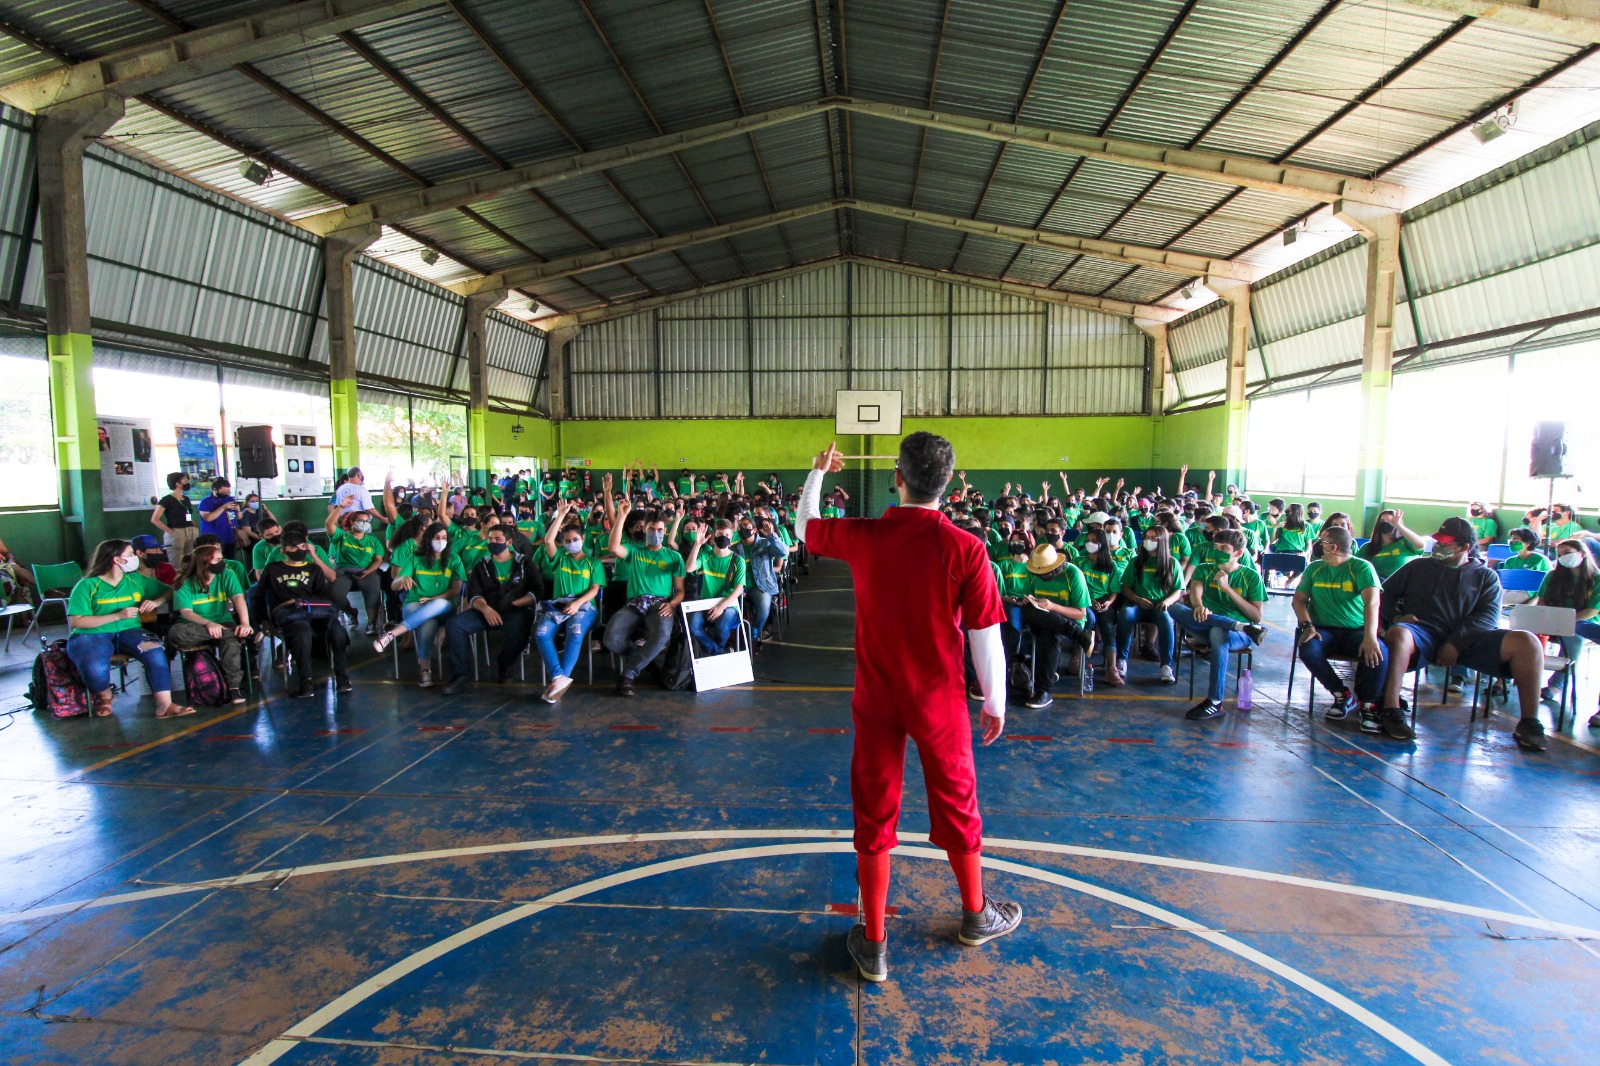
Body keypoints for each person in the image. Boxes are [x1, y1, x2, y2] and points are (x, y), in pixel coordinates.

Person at [797, 434, 1020, 985]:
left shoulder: (865, 536)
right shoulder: (966, 548)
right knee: (958, 803)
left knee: (874, 813)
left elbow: (805, 526)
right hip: (939, 699)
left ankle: (873, 943)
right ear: (948, 483)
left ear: (897, 478)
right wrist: (995, 701)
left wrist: (817, 472)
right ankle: (975, 914)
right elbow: (984, 634)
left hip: (877, 697)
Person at [1376, 517, 1547, 750]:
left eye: (1445, 543)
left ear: (1464, 547)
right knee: (1398, 635)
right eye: (1437, 542)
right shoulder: (1418, 567)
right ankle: (1390, 709)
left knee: (1527, 642)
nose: (1438, 546)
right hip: (1423, 633)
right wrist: (1396, 617)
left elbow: (1488, 617)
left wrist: (1456, 644)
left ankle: (1529, 722)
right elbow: (1383, 594)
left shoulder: (1486, 576)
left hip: (1470, 640)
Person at [65, 539, 193, 719]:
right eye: (131, 554)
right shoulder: (86, 586)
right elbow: (77, 622)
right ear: (117, 559)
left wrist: (156, 602)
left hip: (130, 631)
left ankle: (164, 705)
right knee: (95, 669)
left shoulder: (136, 580)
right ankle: (104, 694)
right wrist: (117, 616)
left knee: (156, 653)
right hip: (92, 634)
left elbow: (172, 590)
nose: (135, 558)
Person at [1292, 526, 1387, 727]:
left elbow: (1372, 604)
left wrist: (1370, 638)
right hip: (1322, 630)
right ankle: (1341, 694)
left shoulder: (1361, 567)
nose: (1318, 545)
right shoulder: (1315, 568)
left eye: (1322, 542)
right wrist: (1308, 625)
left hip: (1356, 631)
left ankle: (1368, 705)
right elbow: (1299, 600)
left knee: (1379, 653)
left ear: (1333, 547)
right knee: (1308, 649)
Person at [1170, 529, 1267, 721]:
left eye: (1224, 548)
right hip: (1206, 624)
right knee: (1173, 608)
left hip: (1239, 636)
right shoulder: (1205, 569)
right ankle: (1238, 625)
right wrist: (1199, 606)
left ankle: (1215, 701)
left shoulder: (1251, 576)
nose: (1217, 551)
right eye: (1216, 547)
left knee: (1218, 632)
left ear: (1238, 553)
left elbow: (1256, 616)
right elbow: (1196, 592)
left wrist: (1227, 589)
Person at [442, 522, 539, 696]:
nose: (493, 542)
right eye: (490, 539)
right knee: (454, 625)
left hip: (516, 609)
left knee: (520, 630)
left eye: (497, 539)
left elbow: (536, 591)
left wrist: (515, 604)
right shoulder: (482, 565)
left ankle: (505, 664)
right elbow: (474, 594)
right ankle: (460, 674)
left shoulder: (525, 563)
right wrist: (486, 609)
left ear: (509, 542)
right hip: (487, 610)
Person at [604, 499, 686, 697]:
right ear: (645, 529)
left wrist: (672, 604)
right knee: (611, 639)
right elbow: (613, 548)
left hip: (660, 603)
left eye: (659, 530)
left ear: (665, 531)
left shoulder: (674, 557)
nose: (655, 533)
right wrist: (622, 515)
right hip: (635, 603)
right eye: (651, 529)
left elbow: (680, 591)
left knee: (662, 634)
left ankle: (628, 675)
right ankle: (645, 660)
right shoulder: (634, 550)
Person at [259, 523, 350, 697]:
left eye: (302, 547)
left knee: (337, 630)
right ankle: (305, 680)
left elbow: (322, 596)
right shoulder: (272, 569)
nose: (299, 550)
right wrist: (263, 619)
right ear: (284, 550)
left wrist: (304, 601)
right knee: (302, 630)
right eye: (294, 547)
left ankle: (342, 677)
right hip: (289, 615)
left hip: (313, 612)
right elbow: (259, 595)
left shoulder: (314, 569)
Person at [373, 521, 462, 688]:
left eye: (444, 538)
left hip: (444, 605)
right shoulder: (415, 558)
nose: (441, 541)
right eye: (437, 537)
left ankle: (392, 634)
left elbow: (456, 590)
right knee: (428, 621)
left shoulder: (454, 559)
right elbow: (394, 586)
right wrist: (402, 579)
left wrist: (433, 599)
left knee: (439, 604)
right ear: (428, 539)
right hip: (415, 603)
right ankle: (425, 670)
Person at [531, 503, 605, 703]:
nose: (571, 543)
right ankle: (558, 677)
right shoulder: (560, 558)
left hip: (585, 606)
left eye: (575, 540)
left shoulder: (593, 563)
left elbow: (595, 589)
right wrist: (560, 516)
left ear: (583, 539)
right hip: (559, 604)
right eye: (567, 540)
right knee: (541, 633)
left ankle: (558, 683)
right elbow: (548, 541)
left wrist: (577, 603)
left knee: (575, 631)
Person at [1526, 538, 1600, 727]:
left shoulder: (1597, 579)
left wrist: (1565, 622)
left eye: (1567, 553)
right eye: (1559, 555)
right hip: (1552, 620)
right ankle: (1506, 678)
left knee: (1573, 634)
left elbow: (1592, 610)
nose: (1562, 558)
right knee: (1523, 632)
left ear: (1582, 554)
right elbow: (1542, 602)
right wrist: (1551, 620)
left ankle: (1556, 684)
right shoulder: (1553, 576)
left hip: (1582, 623)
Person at [169, 541, 253, 704]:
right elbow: (186, 612)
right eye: (217, 560)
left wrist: (245, 623)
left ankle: (233, 688)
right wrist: (208, 624)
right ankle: (232, 633)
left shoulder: (227, 574)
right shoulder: (184, 581)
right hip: (194, 627)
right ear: (204, 562)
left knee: (231, 644)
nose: (222, 562)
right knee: (176, 633)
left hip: (222, 622)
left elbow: (238, 597)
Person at [1020, 543, 1094, 709]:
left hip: (1068, 619)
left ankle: (1043, 691)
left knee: (1050, 632)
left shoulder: (1073, 574)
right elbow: (1029, 597)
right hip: (1041, 617)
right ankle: (1080, 635)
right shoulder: (1032, 574)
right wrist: (1029, 600)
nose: (1041, 576)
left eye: (1045, 573)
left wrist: (1053, 607)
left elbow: (1080, 614)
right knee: (1026, 611)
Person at [1116, 527, 1184, 685]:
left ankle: (1166, 665)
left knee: (1166, 620)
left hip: (1159, 605)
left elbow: (1178, 590)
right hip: (1137, 603)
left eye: (1154, 538)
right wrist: (1138, 599)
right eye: (1147, 537)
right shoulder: (1136, 561)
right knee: (1125, 615)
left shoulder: (1172, 563)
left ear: (1162, 541)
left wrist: (1166, 602)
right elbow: (1126, 587)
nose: (1148, 541)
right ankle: (1121, 659)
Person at [685, 520, 747, 656]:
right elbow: (689, 568)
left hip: (728, 604)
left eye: (727, 535)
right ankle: (719, 652)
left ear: (731, 537)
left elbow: (738, 589)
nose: (723, 537)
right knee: (693, 625)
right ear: (714, 535)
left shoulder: (738, 560)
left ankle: (717, 650)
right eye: (720, 534)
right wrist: (697, 545)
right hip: (705, 603)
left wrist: (721, 607)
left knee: (722, 625)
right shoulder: (706, 554)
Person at [325, 505, 386, 634]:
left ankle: (372, 622)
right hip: (344, 571)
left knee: (373, 591)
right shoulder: (342, 537)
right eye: (361, 521)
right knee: (334, 594)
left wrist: (369, 570)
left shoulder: (372, 540)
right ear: (352, 522)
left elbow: (378, 559)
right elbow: (329, 524)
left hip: (367, 570)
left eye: (367, 521)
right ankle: (351, 612)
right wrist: (341, 506)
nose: (364, 524)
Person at [1359, 509, 1426, 580]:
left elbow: (1421, 545)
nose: (1386, 523)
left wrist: (1398, 525)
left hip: (1403, 582)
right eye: (1382, 521)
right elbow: (1357, 567)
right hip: (1377, 582)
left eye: (1390, 521)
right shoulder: (1367, 547)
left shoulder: (1405, 542)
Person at [151, 472, 197, 564]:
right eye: (184, 479)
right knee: (176, 563)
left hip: (190, 531)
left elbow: (187, 514)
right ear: (177, 484)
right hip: (177, 532)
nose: (187, 481)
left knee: (190, 562)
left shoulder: (186, 499)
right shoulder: (166, 500)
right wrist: (171, 532)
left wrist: (193, 526)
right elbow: (155, 519)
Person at [197, 477, 241, 559]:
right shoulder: (205, 502)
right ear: (214, 489)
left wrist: (238, 511)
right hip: (212, 539)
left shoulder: (229, 499)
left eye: (227, 492)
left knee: (230, 559)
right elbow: (208, 518)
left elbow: (236, 517)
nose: (225, 494)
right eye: (223, 492)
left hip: (229, 536)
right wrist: (223, 507)